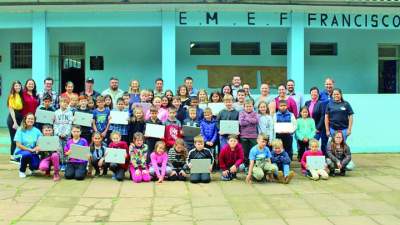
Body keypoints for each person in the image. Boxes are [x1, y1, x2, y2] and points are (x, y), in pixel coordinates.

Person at [14, 113, 42, 178]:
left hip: (32, 152)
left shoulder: (37, 131)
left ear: (34, 121)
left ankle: (31, 168)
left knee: (36, 166)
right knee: (27, 154)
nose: (30, 120)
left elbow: (40, 142)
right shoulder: (20, 130)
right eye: (29, 119)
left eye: (32, 119)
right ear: (25, 120)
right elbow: (18, 145)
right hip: (20, 152)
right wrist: (30, 150)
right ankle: (22, 171)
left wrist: (37, 147)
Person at [305, 87, 327, 154]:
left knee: (318, 144)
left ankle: (322, 159)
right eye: (312, 92)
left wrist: (317, 128)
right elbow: (304, 114)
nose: (314, 93)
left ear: (318, 94)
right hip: (309, 128)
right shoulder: (307, 103)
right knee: (309, 145)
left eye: (315, 92)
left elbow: (323, 116)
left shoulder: (321, 103)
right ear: (310, 93)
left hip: (318, 128)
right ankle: (308, 159)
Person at [54, 96, 73, 170]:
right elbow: (55, 124)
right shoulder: (56, 112)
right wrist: (58, 133)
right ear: (59, 103)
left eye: (66, 102)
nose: (64, 104)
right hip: (58, 135)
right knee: (59, 149)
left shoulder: (70, 113)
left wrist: (66, 133)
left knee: (66, 149)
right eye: (63, 102)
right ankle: (59, 163)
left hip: (66, 135)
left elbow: (70, 124)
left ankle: (65, 163)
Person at [239, 100, 259, 167]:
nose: (248, 108)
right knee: (245, 152)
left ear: (252, 106)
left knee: (253, 151)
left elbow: (256, 121)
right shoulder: (241, 113)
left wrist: (246, 118)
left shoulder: (255, 113)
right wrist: (250, 120)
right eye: (247, 106)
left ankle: (253, 165)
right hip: (244, 136)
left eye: (250, 106)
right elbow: (241, 123)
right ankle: (246, 165)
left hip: (253, 136)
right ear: (244, 107)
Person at [7, 81, 23, 161]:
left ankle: (17, 155)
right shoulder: (11, 96)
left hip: (20, 116)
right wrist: (15, 122)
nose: (18, 87)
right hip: (13, 118)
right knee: (14, 138)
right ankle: (12, 156)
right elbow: (11, 109)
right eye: (16, 86)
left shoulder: (20, 95)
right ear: (13, 87)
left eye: (19, 86)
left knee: (19, 137)